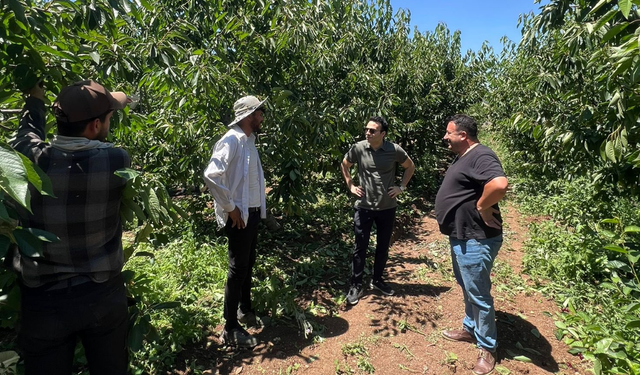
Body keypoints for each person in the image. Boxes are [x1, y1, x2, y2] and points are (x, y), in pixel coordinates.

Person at [10, 80, 132, 374]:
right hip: (101, 293)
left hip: (43, 299)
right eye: (108, 118)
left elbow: (25, 134)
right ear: (94, 126)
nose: (109, 123)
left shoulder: (30, 159)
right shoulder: (116, 160)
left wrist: (35, 100)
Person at [435, 114, 508, 375]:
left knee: (478, 293)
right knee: (467, 286)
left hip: (476, 238)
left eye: (449, 133)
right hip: (462, 236)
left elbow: (499, 184)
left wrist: (481, 206)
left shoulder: (481, 155)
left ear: (463, 135)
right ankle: (470, 328)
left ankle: (488, 347)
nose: (445, 137)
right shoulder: (464, 156)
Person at [203, 95, 267, 348]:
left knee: (247, 263)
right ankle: (230, 328)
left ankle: (245, 310)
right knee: (237, 269)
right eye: (260, 113)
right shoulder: (231, 140)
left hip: (250, 214)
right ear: (248, 116)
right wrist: (230, 209)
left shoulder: (248, 140)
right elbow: (211, 175)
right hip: (239, 217)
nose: (262, 117)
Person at [340, 116, 415, 305]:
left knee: (382, 247)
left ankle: (378, 280)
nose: (367, 133)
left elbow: (410, 166)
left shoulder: (393, 150)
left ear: (383, 134)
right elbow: (344, 164)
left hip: (387, 208)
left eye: (372, 130)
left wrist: (401, 187)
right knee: (360, 247)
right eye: (366, 129)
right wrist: (350, 185)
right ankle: (356, 284)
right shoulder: (358, 148)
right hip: (364, 207)